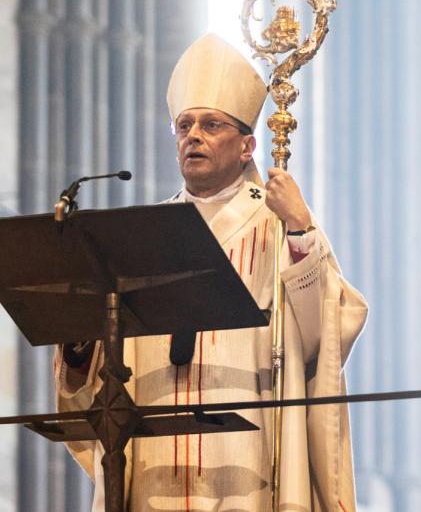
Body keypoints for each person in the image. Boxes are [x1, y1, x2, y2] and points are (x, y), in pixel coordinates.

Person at [54, 32, 368, 511]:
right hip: (154, 457)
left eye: (211, 125)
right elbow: (100, 371)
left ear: (247, 146)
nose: (193, 136)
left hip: (246, 456)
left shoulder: (278, 227)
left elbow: (322, 337)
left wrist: (302, 229)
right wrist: (80, 350)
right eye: (183, 126)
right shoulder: (142, 236)